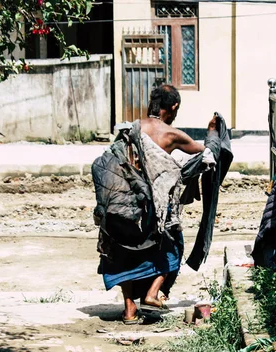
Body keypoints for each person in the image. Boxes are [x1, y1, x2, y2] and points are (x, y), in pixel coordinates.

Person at [92, 84, 217, 324]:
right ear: (174, 106)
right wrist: (212, 132)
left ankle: (129, 310)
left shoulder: (131, 128)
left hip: (124, 207)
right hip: (151, 209)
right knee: (173, 245)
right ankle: (152, 293)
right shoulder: (170, 134)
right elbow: (206, 153)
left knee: (122, 253)